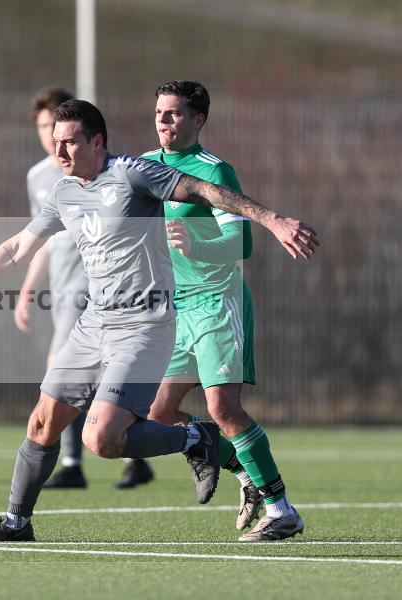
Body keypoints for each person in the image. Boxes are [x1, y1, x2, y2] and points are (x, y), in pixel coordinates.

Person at [0, 99, 317, 542]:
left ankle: (197, 439)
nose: (60, 152)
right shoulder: (64, 192)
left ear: (97, 142)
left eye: (70, 142)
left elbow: (204, 190)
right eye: (56, 142)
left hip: (144, 325)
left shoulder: (132, 173)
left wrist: (272, 220)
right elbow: (16, 248)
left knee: (103, 439)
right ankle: (17, 523)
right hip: (94, 323)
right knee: (42, 423)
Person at [138, 80, 302, 541]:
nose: (163, 120)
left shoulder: (215, 171)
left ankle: (282, 509)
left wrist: (197, 243)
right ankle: (242, 470)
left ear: (198, 120)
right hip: (175, 308)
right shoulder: (145, 166)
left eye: (173, 113)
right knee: (158, 415)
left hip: (216, 301)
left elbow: (240, 242)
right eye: (159, 112)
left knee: (223, 407)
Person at [17, 88, 154, 490]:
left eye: (57, 128)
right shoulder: (40, 178)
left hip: (91, 286)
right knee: (91, 379)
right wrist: (29, 287)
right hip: (60, 284)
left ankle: (73, 464)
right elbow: (41, 239)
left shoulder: (108, 174)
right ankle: (132, 454)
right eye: (44, 128)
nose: (51, 138)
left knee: (59, 372)